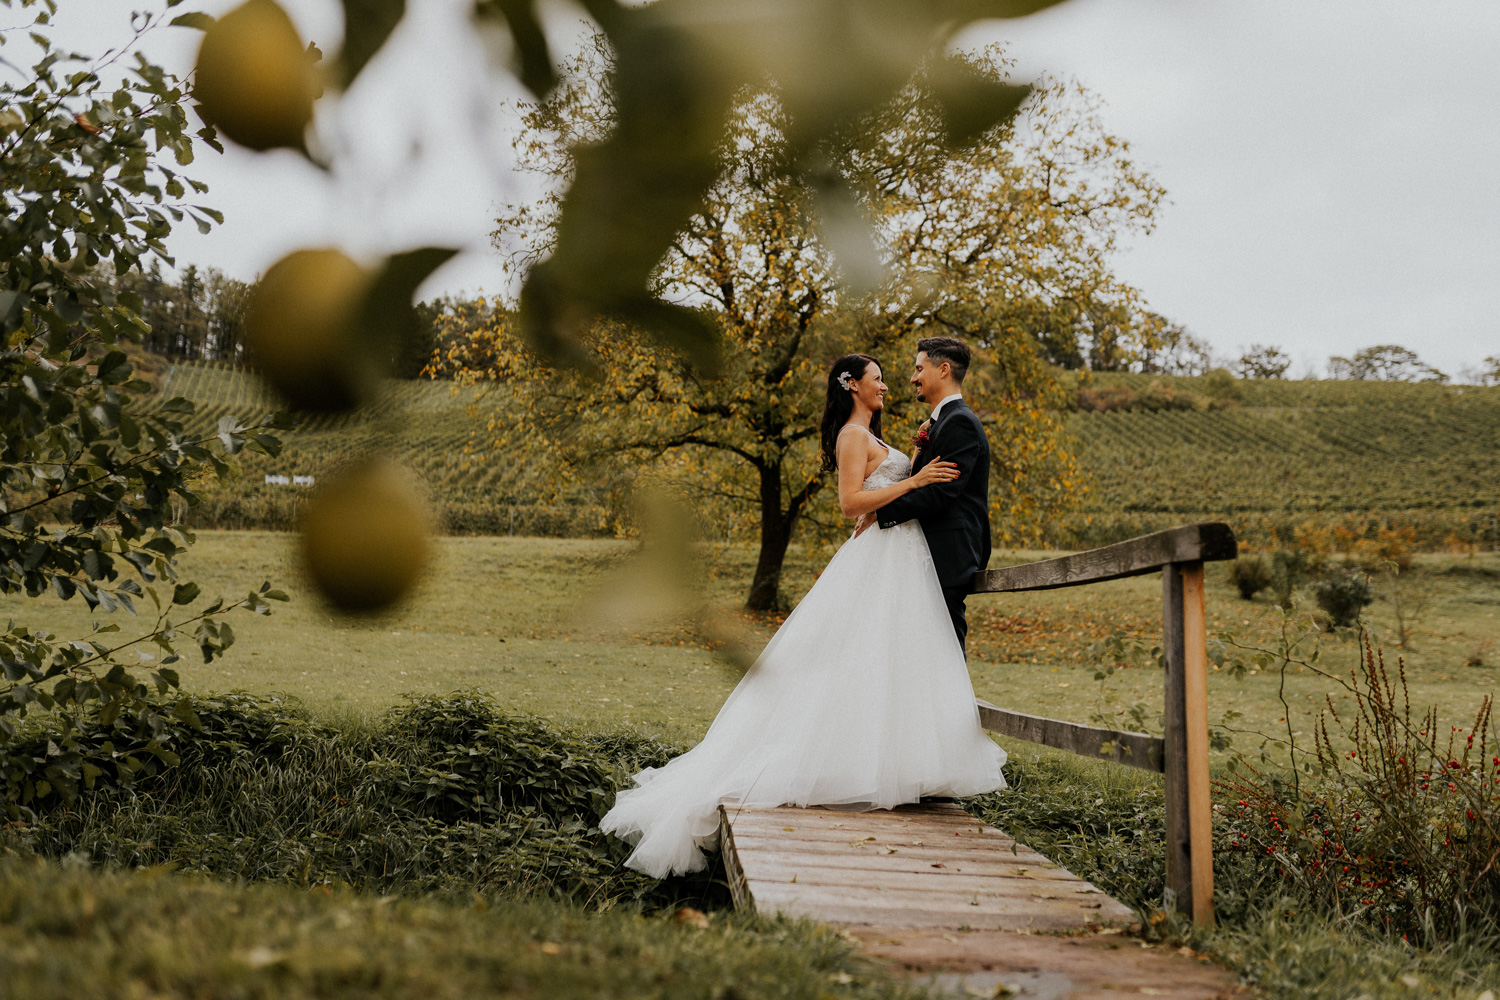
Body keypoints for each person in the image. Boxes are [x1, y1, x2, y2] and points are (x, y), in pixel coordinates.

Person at [599, 351, 1006, 879]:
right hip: (883, 554)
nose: (889, 385)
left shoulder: (878, 435)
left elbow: (882, 499)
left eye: (894, 376)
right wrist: (913, 482)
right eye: (878, 380)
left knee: (883, 656)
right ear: (852, 386)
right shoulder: (852, 438)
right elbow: (851, 503)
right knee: (855, 655)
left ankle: (894, 763)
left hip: (899, 557)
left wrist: (905, 490)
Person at [867, 336, 991, 653]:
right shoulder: (942, 423)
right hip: (932, 552)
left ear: (944, 369)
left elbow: (940, 494)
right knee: (924, 651)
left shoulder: (959, 422)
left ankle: (954, 705)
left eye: (919, 368)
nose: (913, 377)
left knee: (945, 650)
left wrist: (879, 511)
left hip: (949, 554)